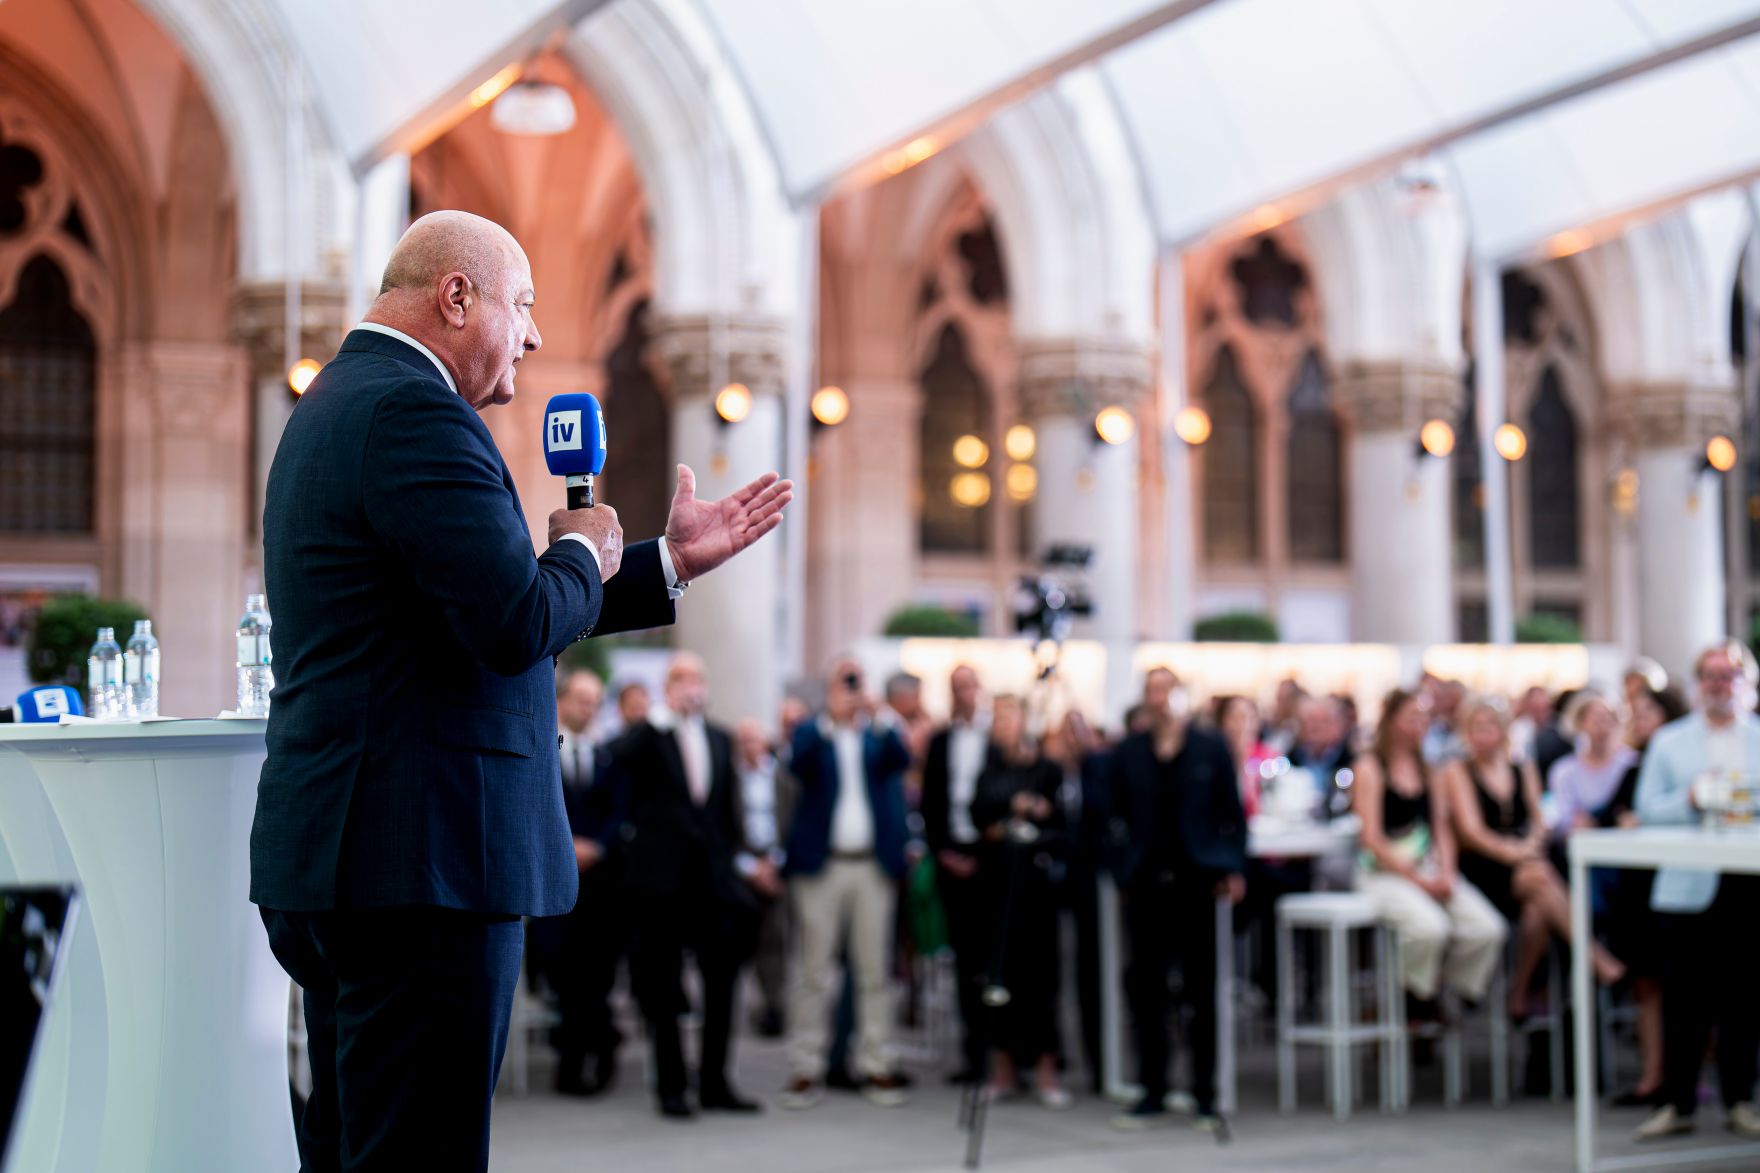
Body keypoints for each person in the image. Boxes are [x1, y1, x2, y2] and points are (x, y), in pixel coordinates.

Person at [248, 210, 792, 1170]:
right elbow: (510, 621)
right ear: (455, 298)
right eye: (523, 305)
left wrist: (665, 562)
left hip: (356, 855)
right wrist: (580, 549)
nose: (537, 337)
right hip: (424, 864)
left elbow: (468, 602)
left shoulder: (338, 402)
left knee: (355, 1149)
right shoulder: (417, 414)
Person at [606, 653, 770, 1118]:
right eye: (681, 679)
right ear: (668, 685)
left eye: (697, 678)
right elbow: (616, 758)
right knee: (663, 986)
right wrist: (658, 718)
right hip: (662, 882)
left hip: (713, 883)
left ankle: (716, 1081)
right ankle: (672, 1086)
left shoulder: (719, 738)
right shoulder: (651, 736)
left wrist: (737, 864)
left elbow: (726, 812)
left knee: (722, 984)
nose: (691, 686)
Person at [1632, 641, 1760, 1143]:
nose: (1718, 684)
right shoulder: (1670, 741)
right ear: (1697, 683)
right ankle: (1677, 1102)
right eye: (1709, 675)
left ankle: (1741, 1099)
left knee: (1745, 1000)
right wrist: (1690, 798)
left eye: (1728, 675)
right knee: (1684, 1000)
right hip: (1688, 885)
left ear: (1744, 683)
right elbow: (1646, 809)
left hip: (1748, 884)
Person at [1107, 679, 1245, 1133]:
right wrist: (1123, 870)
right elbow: (1110, 815)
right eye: (1153, 689)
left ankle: (1205, 1094)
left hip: (1197, 881)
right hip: (1147, 882)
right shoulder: (1129, 752)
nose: (1161, 698)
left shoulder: (1209, 748)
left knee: (1201, 989)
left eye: (1168, 689)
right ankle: (1153, 1088)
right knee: (1147, 989)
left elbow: (1231, 813)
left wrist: (1230, 866)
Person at [780, 658, 913, 1109]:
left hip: (871, 867)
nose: (851, 689)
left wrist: (876, 715)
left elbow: (902, 759)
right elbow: (798, 765)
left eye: (857, 680)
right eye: (845, 681)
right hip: (822, 868)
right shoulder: (813, 732)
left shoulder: (878, 733)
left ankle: (877, 1063)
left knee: (874, 972)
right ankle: (805, 1067)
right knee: (813, 972)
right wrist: (829, 718)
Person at [1442, 698, 1623, 1021]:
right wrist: (1515, 851)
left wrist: (1531, 844)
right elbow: (1472, 832)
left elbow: (1541, 818)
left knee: (1537, 909)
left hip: (1523, 865)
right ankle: (1592, 957)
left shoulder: (1520, 767)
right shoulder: (1458, 770)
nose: (1485, 735)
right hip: (1483, 866)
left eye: (1491, 727)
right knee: (1538, 876)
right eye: (1477, 728)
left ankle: (1521, 990)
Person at [1353, 689, 1505, 1020]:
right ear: (1392, 721)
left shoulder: (1428, 768)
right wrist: (1417, 880)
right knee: (1428, 928)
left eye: (1423, 718)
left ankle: (1437, 989)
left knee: (1486, 929)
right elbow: (1372, 839)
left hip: (1426, 867)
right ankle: (1412, 998)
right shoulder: (1370, 766)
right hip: (1387, 871)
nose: (1419, 725)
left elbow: (1441, 828)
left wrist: (1447, 872)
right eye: (1412, 718)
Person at [970, 696, 1069, 1108]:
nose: (1003, 725)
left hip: (1037, 886)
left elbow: (1062, 820)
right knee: (1000, 976)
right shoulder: (990, 771)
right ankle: (1003, 1066)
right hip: (998, 884)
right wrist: (1011, 808)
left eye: (1010, 717)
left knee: (1041, 978)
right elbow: (979, 813)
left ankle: (1046, 1067)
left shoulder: (1046, 770)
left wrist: (1039, 812)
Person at [1598, 684, 1688, 1109]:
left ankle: (1680, 1076)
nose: (1641, 717)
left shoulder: (1678, 758)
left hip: (1679, 883)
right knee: (1648, 983)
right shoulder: (1635, 764)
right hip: (1639, 889)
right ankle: (1655, 1075)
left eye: (1650, 709)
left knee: (1683, 984)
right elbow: (1614, 811)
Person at [551, 668, 626, 1097]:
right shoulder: (547, 746)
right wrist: (567, 847)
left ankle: (598, 1053)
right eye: (582, 698)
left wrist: (596, 846)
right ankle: (571, 1062)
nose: (589, 708)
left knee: (598, 974)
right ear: (562, 701)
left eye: (595, 700)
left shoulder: (606, 753)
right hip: (560, 881)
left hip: (599, 882)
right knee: (565, 974)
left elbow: (620, 808)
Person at [918, 664, 990, 1084]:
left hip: (988, 858)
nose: (964, 693)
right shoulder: (942, 741)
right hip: (952, 855)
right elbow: (931, 802)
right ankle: (972, 1054)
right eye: (957, 687)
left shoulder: (993, 738)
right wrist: (943, 851)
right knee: (964, 960)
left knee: (991, 958)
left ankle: (1001, 1054)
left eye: (969, 685)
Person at [735, 717, 791, 1039]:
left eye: (754, 740)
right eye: (743, 741)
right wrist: (750, 868)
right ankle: (752, 1002)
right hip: (745, 867)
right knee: (748, 941)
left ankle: (774, 1004)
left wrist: (774, 865)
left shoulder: (782, 780)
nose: (749, 747)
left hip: (775, 863)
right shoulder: (732, 780)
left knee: (776, 940)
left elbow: (792, 823)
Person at [1547, 689, 1638, 838]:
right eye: (1594, 717)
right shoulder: (1564, 770)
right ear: (1580, 723)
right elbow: (1563, 816)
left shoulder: (1632, 763)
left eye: (1606, 716)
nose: (1601, 722)